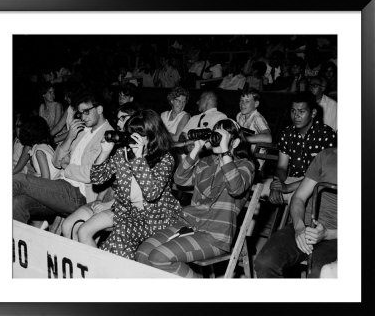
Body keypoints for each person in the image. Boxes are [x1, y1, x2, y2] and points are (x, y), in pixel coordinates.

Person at [135, 119, 256, 278]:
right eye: (215, 134)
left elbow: (235, 188)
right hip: (189, 224)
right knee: (142, 253)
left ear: (235, 142)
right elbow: (179, 179)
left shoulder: (245, 165)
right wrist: (196, 150)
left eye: (222, 136)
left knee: (159, 257)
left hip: (215, 235)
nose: (217, 139)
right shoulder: (206, 162)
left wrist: (225, 151)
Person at [88, 109, 183, 259]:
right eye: (131, 133)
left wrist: (139, 159)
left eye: (139, 134)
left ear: (153, 136)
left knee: (119, 237)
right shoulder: (123, 153)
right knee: (114, 243)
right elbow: (97, 179)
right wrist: (104, 152)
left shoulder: (165, 159)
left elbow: (151, 194)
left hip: (157, 218)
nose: (133, 138)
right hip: (129, 214)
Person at [13, 92, 114, 224]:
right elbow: (56, 161)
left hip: (78, 194)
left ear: (99, 109)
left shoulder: (108, 136)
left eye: (86, 112)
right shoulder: (82, 131)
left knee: (19, 180)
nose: (83, 117)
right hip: (60, 187)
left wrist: (67, 167)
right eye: (80, 113)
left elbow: (90, 174)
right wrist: (70, 137)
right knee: (17, 203)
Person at [61, 102, 141, 246]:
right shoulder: (120, 147)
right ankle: (79, 263)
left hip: (131, 205)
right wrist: (99, 198)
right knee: (68, 225)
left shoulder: (143, 147)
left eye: (123, 118)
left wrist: (109, 204)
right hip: (113, 197)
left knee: (83, 231)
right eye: (118, 119)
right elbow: (100, 178)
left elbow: (137, 190)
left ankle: (92, 266)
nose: (119, 123)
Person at [254, 147, 337, 278]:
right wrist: (299, 227)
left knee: (319, 274)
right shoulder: (328, 155)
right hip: (306, 225)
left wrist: (327, 234)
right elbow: (299, 197)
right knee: (265, 263)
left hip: (335, 236)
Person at [266, 92, 337, 206]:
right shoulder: (287, 133)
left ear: (313, 113)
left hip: (318, 185)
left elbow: (324, 175)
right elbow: (281, 167)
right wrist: (277, 184)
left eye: (301, 111)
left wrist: (288, 187)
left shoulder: (326, 134)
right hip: (293, 179)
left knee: (297, 199)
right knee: (261, 190)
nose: (296, 116)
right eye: (293, 111)